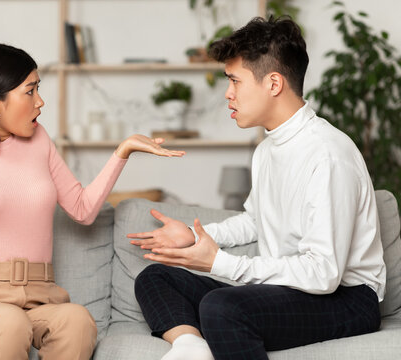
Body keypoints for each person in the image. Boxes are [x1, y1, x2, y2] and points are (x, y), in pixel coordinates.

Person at [128, 16, 385, 360]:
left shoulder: (328, 154)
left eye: (234, 80)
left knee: (222, 307)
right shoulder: (267, 148)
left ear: (274, 83)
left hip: (349, 298)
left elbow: (324, 274)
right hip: (289, 289)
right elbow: (255, 219)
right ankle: (192, 347)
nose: (228, 94)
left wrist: (220, 263)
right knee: (155, 278)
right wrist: (194, 236)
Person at [0, 43, 185, 360]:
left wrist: (121, 152)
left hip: (40, 296)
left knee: (77, 322)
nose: (40, 102)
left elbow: (83, 210)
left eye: (38, 89)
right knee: (9, 323)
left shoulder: (39, 140)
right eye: (30, 91)